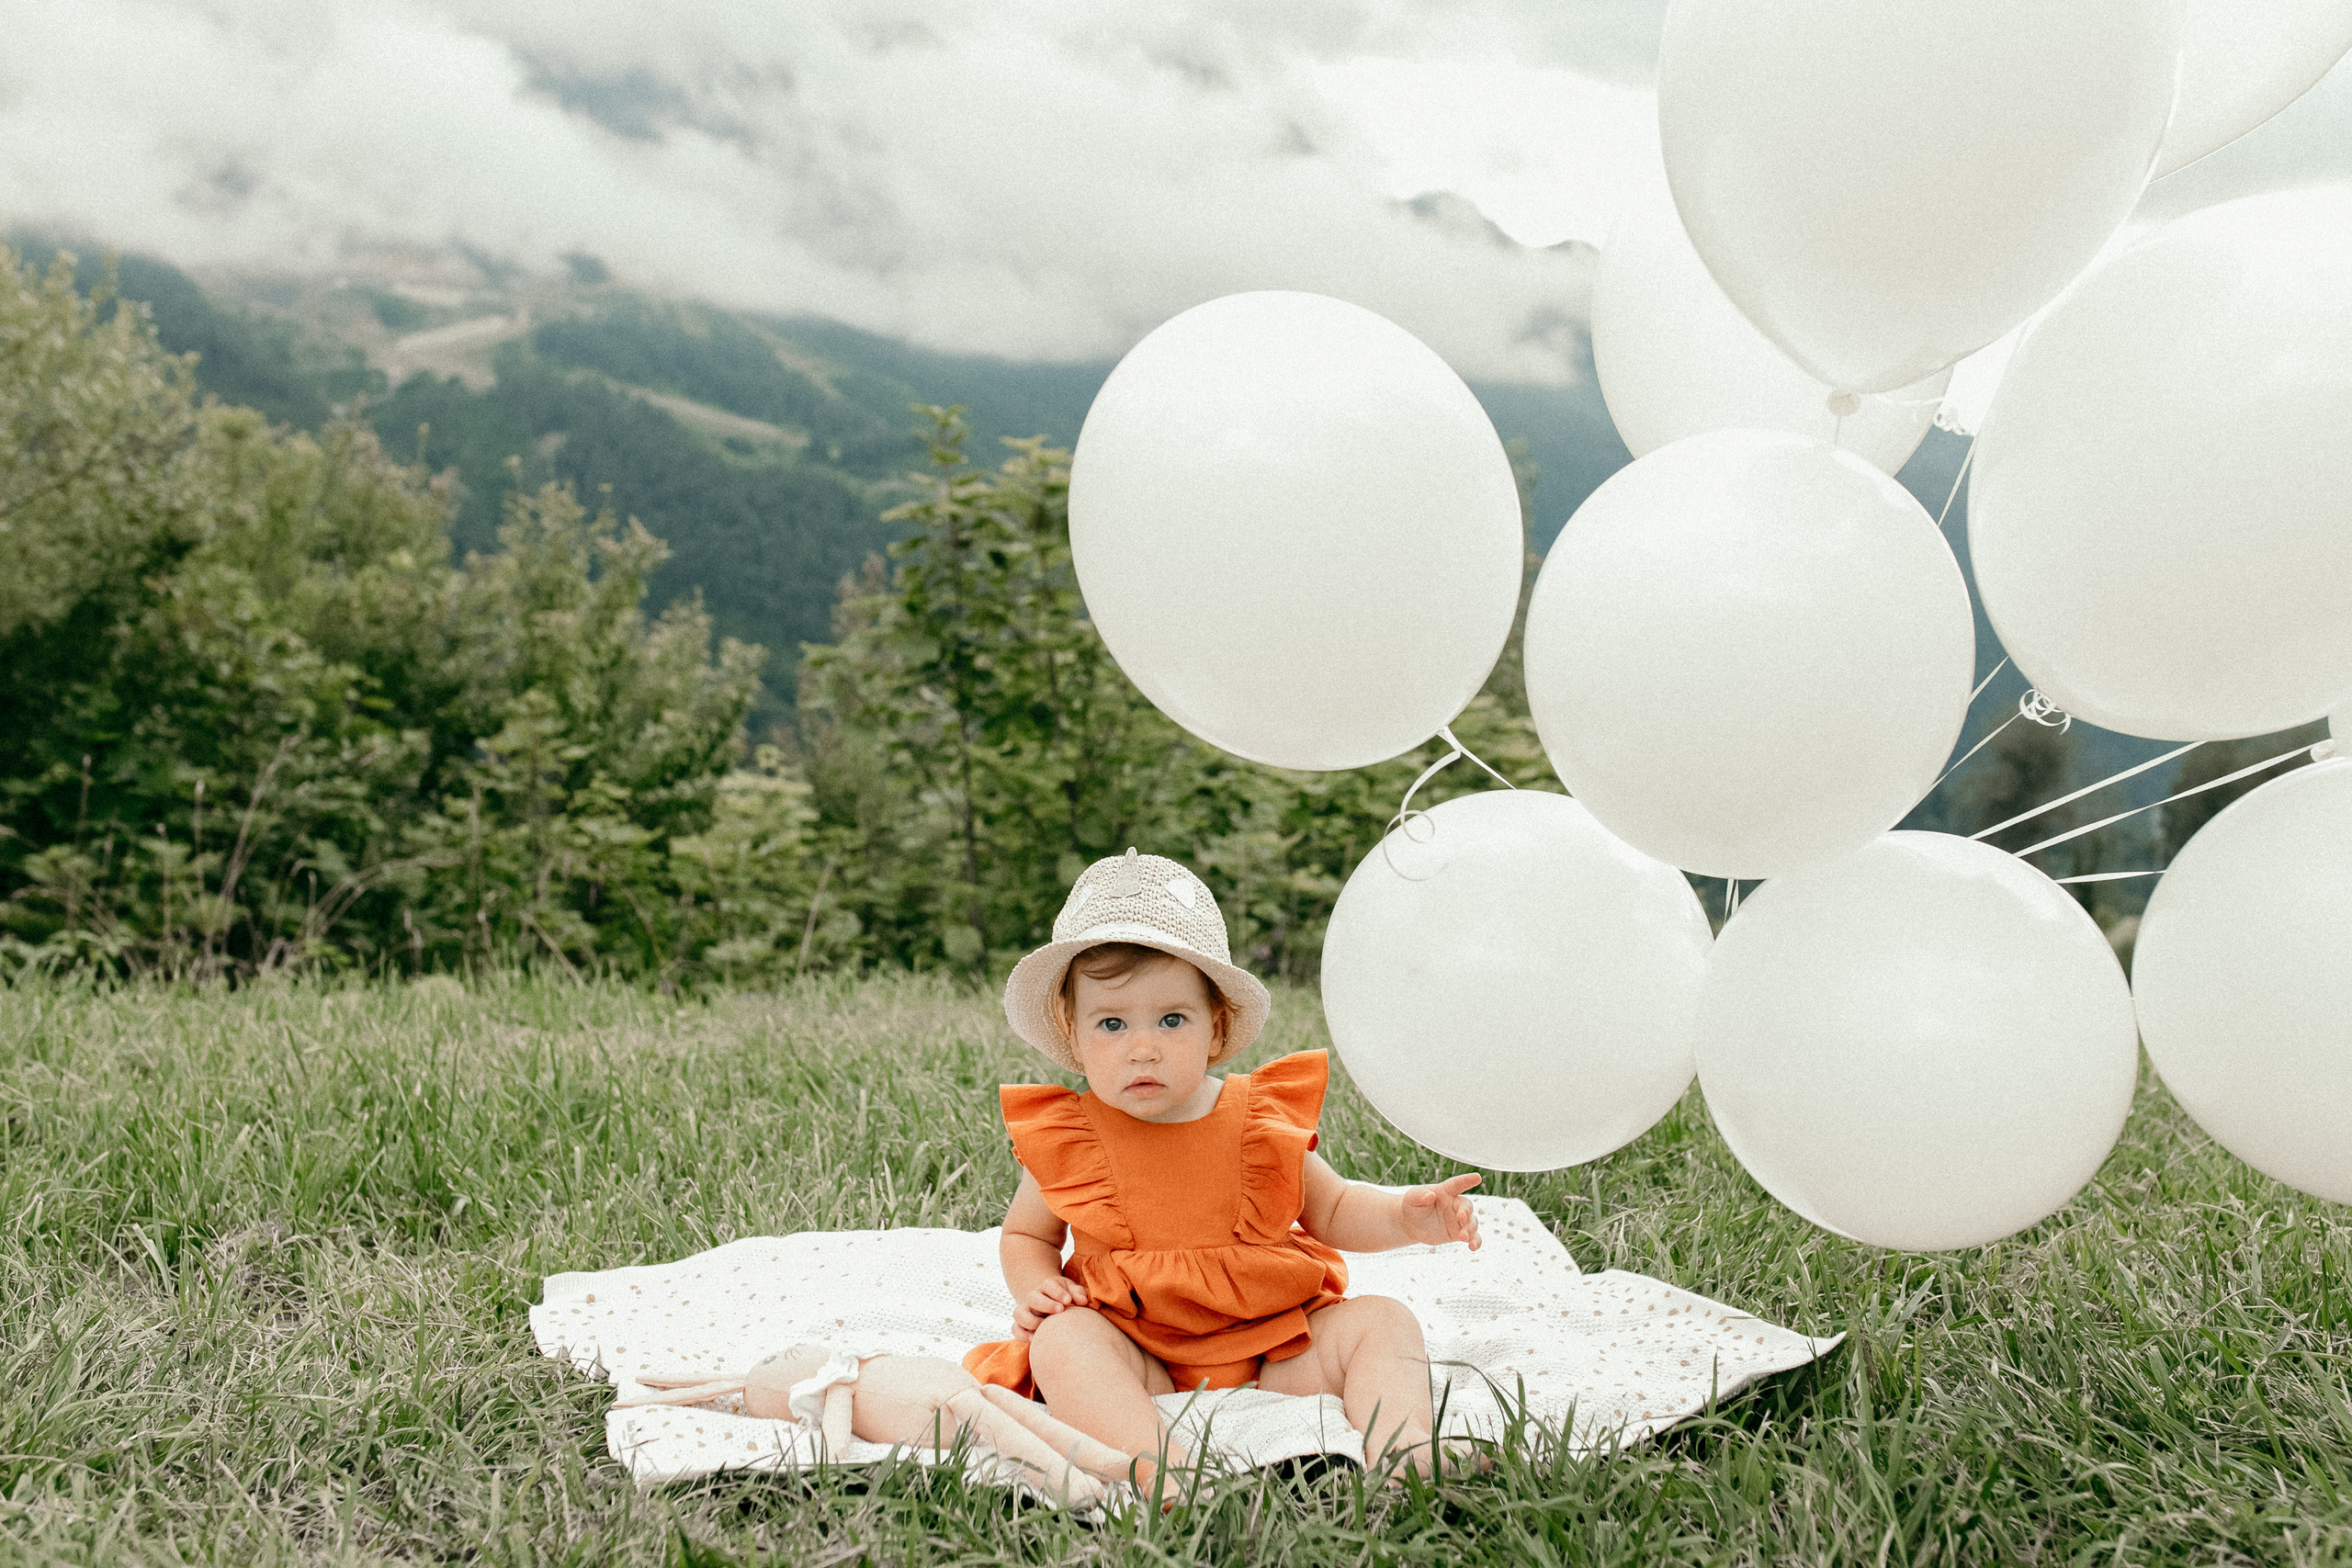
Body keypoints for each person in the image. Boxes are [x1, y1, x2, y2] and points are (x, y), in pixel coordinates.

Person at [963, 848, 1484, 1495]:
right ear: (1075, 1034)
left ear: (1217, 1025)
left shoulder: (1255, 1117)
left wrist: (1406, 1215)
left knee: (1383, 1319)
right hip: (1138, 1347)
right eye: (1112, 1023)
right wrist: (1038, 1286)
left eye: (1172, 1018)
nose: (1142, 1046)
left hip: (1274, 1347)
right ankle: (1156, 1464)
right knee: (1062, 1343)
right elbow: (1026, 1236)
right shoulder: (1076, 1137)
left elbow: (1334, 1206)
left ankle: (1405, 1443)